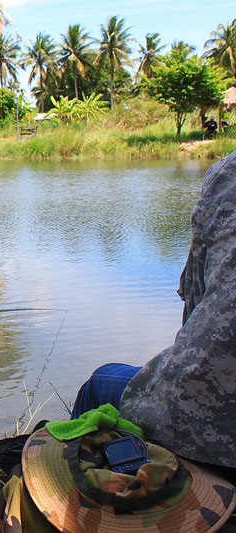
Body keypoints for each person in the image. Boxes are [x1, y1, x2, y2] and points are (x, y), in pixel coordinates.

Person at [71, 150, 236, 475]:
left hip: (217, 431)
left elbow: (195, 308)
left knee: (100, 382)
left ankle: (68, 497)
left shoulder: (227, 174)